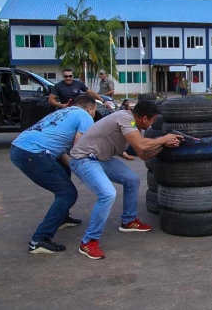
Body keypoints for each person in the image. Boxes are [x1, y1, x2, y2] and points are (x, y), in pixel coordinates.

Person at [69, 100, 184, 260]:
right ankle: (89, 242)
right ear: (144, 118)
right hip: (84, 159)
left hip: (102, 159)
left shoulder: (134, 126)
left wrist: (163, 146)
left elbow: (143, 154)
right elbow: (143, 145)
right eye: (152, 120)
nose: (152, 124)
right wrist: (164, 139)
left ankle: (128, 221)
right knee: (108, 194)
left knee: (132, 180)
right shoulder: (125, 118)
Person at [10, 95, 97, 254]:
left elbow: (60, 151)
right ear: (90, 108)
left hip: (19, 148)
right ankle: (39, 240)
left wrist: (73, 166)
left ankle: (62, 218)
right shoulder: (85, 116)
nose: (93, 115)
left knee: (64, 171)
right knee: (68, 194)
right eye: (94, 112)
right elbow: (77, 150)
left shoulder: (63, 112)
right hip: (34, 154)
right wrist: (90, 170)